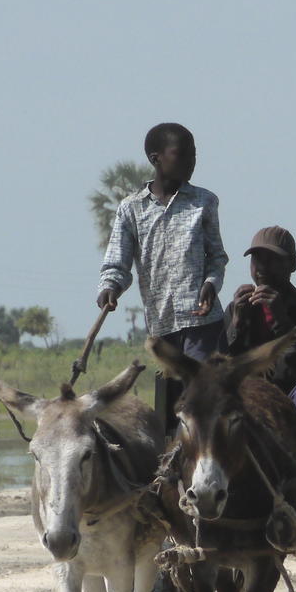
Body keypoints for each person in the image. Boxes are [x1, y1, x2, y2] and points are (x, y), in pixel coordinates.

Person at [95, 122, 227, 419]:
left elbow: (217, 257)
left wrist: (211, 283)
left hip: (203, 323)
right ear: (156, 158)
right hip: (162, 323)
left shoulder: (204, 202)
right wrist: (110, 288)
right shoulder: (131, 209)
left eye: (194, 154)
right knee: (171, 408)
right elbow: (117, 263)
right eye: (182, 154)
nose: (191, 161)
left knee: (202, 400)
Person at [221, 226, 296, 413]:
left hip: (291, 404)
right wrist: (236, 325)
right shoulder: (237, 309)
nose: (262, 267)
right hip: (243, 403)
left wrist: (284, 326)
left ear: (293, 264)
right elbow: (222, 368)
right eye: (256, 259)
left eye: (273, 260)